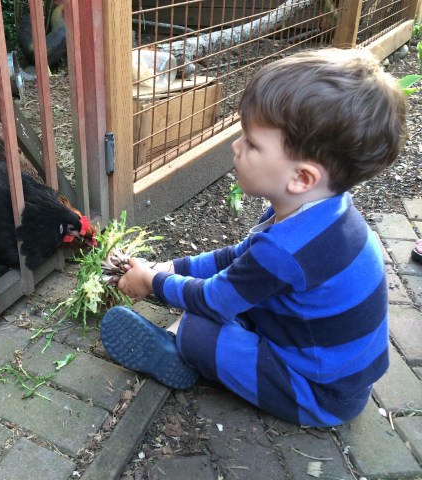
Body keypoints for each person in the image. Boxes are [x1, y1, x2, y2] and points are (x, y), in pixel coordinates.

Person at [100, 48, 407, 428]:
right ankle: (188, 340)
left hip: (318, 393)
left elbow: (214, 299)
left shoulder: (287, 249)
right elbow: (237, 260)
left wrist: (152, 283)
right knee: (234, 294)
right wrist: (167, 268)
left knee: (199, 328)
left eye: (251, 142)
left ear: (302, 178)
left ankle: (181, 349)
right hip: (327, 365)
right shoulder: (321, 211)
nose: (236, 146)